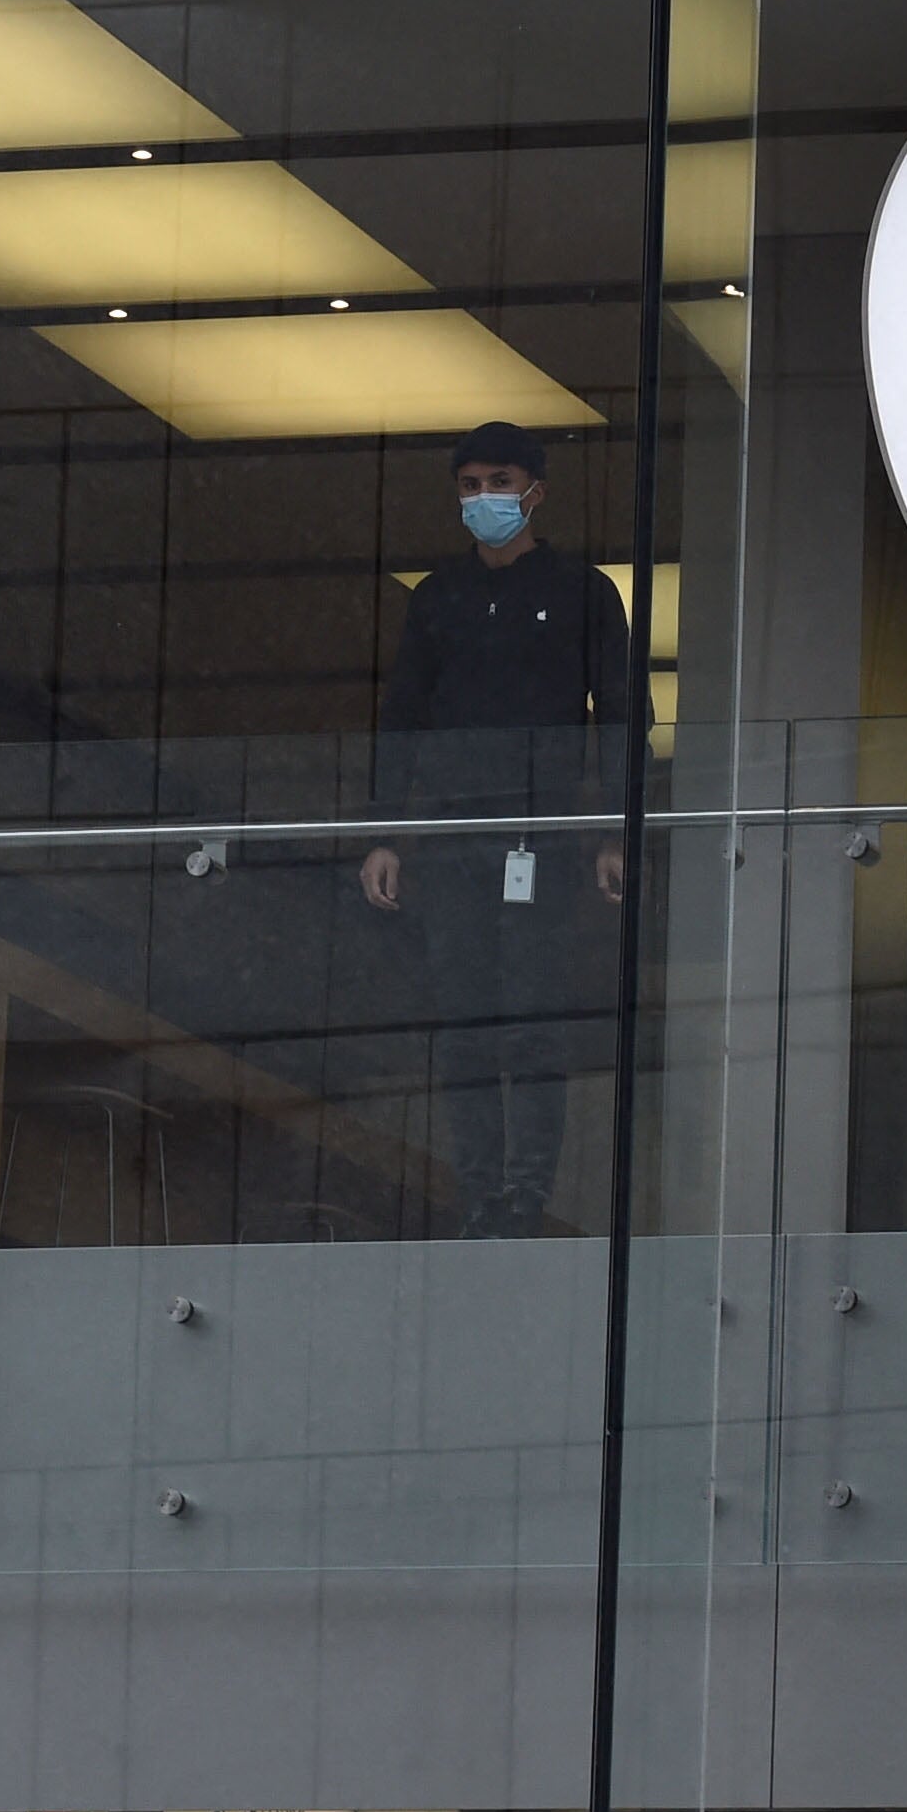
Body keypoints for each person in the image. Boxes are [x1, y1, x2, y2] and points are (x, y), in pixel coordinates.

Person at [362, 423, 629, 1238]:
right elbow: (402, 716)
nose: (484, 498)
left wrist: (619, 829)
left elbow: (620, 714)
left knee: (535, 1018)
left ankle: (527, 1192)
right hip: (448, 837)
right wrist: (383, 832)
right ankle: (478, 1192)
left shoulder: (584, 592)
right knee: (467, 1021)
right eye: (470, 484)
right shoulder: (436, 597)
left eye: (499, 481)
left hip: (539, 836)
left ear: (536, 490)